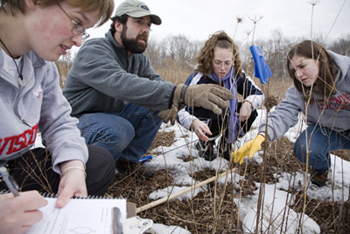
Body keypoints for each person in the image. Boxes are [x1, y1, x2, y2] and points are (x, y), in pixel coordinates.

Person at [63, 0, 233, 178]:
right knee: (121, 129)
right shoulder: (94, 49)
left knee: (160, 103)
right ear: (118, 25)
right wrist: (180, 93)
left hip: (110, 118)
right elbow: (121, 84)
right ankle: (86, 173)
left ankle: (126, 160)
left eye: (148, 25)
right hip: (73, 124)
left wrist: (186, 112)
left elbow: (158, 86)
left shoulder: (138, 59)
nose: (145, 29)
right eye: (138, 22)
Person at [0, 0, 115, 233]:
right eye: (76, 22)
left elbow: (59, 120)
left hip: (13, 168)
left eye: (84, 30)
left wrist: (73, 168)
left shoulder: (41, 64)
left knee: (97, 163)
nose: (78, 41)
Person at [232, 40, 350, 187]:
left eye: (302, 66)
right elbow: (284, 112)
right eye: (294, 71)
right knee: (304, 147)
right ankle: (321, 170)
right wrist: (262, 135)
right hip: (326, 130)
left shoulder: (347, 74)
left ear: (319, 59)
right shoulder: (300, 87)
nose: (299, 74)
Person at [178, 31, 264, 161]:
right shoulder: (199, 77)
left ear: (233, 61)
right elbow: (179, 108)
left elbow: (258, 93)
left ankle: (226, 144)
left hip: (226, 112)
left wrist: (249, 103)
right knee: (220, 109)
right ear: (209, 59)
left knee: (251, 112)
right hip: (203, 116)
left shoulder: (236, 74)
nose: (223, 68)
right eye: (217, 62)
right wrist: (193, 122)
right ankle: (206, 142)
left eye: (227, 63)